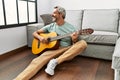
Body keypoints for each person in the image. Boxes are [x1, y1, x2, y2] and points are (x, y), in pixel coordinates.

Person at [14, 6, 87, 80]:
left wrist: (74, 39)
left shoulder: (71, 28)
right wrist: (41, 38)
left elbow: (75, 45)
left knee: (83, 43)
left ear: (61, 14)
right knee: (36, 61)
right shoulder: (50, 26)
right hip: (53, 50)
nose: (52, 14)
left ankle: (55, 62)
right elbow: (35, 33)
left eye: (54, 13)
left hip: (67, 50)